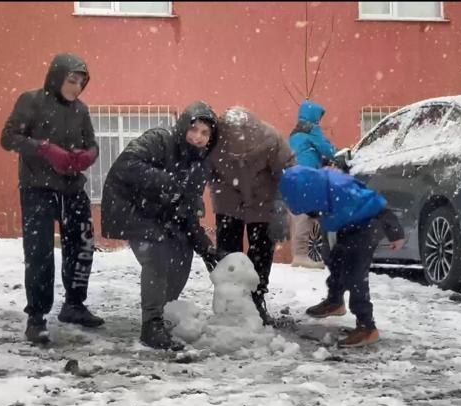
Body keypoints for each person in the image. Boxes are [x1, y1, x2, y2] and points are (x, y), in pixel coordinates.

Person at [101, 101, 225, 351]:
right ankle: (151, 324)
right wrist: (169, 183)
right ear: (183, 126)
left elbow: (188, 212)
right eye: (194, 129)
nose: (198, 137)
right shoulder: (160, 139)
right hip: (130, 209)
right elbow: (127, 165)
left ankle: (165, 310)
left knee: (182, 251)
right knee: (157, 253)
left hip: (161, 216)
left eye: (205, 133)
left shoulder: (199, 166)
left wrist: (205, 248)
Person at [1, 53, 104, 344]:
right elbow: (8, 138)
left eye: (81, 83)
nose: (76, 88)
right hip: (38, 188)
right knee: (39, 252)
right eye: (71, 81)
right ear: (57, 77)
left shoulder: (80, 110)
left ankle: (74, 304)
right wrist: (44, 148)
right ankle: (36, 317)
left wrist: (88, 156)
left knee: (82, 245)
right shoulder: (30, 101)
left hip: (72, 188)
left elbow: (92, 144)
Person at [279, 165, 405, 348]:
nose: (312, 214)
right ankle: (335, 301)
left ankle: (367, 326)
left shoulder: (342, 189)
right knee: (334, 259)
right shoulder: (321, 189)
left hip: (368, 226)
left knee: (355, 275)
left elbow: (376, 204)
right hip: (349, 226)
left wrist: (395, 232)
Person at [208, 106, 296, 326]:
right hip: (228, 197)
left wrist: (279, 206)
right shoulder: (214, 141)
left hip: (263, 198)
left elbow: (288, 170)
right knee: (228, 254)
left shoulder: (270, 138)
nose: (240, 157)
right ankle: (230, 303)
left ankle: (256, 300)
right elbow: (201, 170)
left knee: (262, 251)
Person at [288, 99, 338, 269]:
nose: (319, 122)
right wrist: (337, 155)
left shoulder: (296, 132)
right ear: (314, 116)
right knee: (307, 216)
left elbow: (306, 152)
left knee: (297, 217)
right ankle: (302, 255)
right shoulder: (312, 129)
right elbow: (327, 149)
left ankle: (298, 254)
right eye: (319, 118)